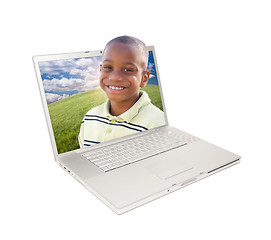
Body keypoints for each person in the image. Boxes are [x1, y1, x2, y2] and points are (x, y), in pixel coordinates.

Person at [78, 36, 165, 148]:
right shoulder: (90, 117)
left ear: (144, 78)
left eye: (128, 69)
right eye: (108, 67)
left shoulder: (158, 122)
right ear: (100, 70)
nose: (115, 77)